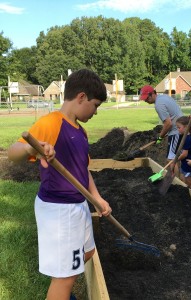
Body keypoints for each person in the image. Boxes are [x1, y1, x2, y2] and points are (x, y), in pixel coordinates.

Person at [8, 69, 112, 300]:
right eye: (95, 105)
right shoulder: (52, 123)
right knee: (65, 277)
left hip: (78, 205)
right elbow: (13, 153)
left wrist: (97, 199)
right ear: (81, 97)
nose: (96, 112)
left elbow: (82, 170)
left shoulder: (81, 132)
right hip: (59, 210)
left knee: (88, 252)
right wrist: (30, 148)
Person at [140, 85, 183, 176]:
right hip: (178, 128)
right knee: (174, 159)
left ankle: (178, 183)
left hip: (176, 131)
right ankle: (180, 181)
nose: (145, 100)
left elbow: (168, 124)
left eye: (146, 98)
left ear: (152, 94)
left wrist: (160, 137)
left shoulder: (159, 104)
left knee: (170, 160)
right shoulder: (163, 97)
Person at [175, 116, 191, 192]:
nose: (177, 129)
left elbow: (184, 154)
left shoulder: (188, 138)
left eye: (179, 127)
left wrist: (176, 160)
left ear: (186, 127)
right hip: (184, 165)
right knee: (182, 180)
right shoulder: (184, 137)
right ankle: (187, 196)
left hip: (189, 165)